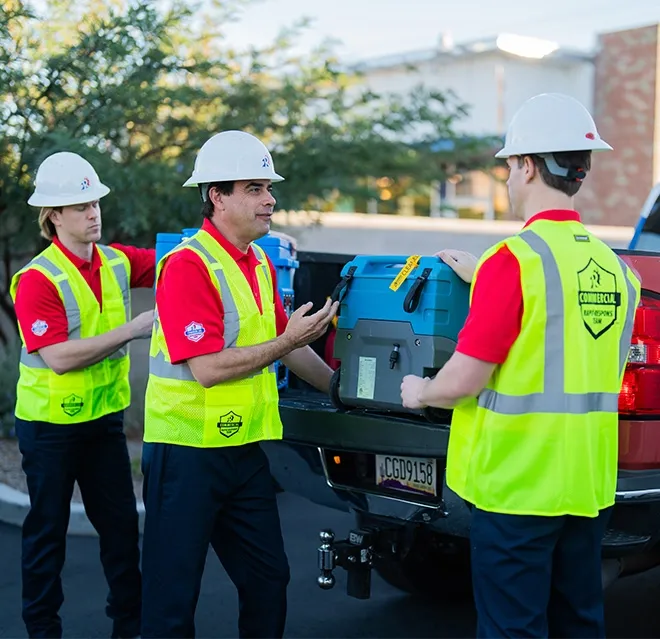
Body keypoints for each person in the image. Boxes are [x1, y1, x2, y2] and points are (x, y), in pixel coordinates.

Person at [400, 93, 641, 638]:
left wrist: (419, 390)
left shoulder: (514, 262)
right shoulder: (616, 269)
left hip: (517, 489)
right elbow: (559, 328)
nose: (508, 180)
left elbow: (465, 379)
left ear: (528, 166)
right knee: (579, 621)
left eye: (509, 168)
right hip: (585, 484)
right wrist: (483, 277)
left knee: (514, 629)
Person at [140, 130, 338, 638]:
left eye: (268, 187)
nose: (270, 198)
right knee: (172, 597)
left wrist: (340, 389)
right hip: (186, 454)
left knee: (269, 580)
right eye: (254, 188)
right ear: (217, 196)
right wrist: (288, 339)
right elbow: (207, 368)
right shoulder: (187, 265)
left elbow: (289, 345)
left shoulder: (260, 261)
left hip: (243, 452)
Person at [10, 151, 156, 639]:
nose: (93, 213)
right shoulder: (37, 279)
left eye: (95, 203)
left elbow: (179, 260)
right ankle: (41, 630)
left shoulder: (115, 260)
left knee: (119, 532)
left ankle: (129, 628)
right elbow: (59, 358)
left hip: (102, 424)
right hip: (49, 428)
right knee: (46, 536)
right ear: (53, 217)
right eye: (80, 206)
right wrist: (132, 329)